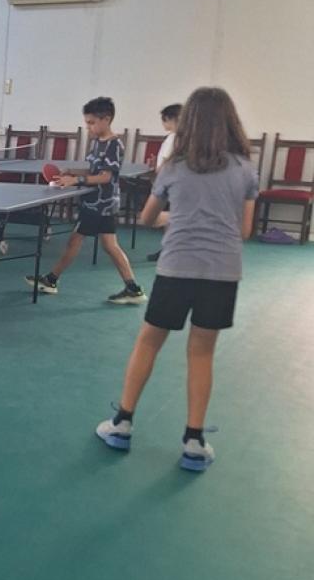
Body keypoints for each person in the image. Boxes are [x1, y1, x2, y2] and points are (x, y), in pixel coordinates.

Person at [96, 87, 258, 472]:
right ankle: (194, 441)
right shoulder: (245, 169)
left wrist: (175, 217)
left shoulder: (174, 168)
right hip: (222, 273)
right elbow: (244, 230)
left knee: (148, 342)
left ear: (189, 123)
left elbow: (147, 218)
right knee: (202, 353)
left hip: (176, 269)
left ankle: (122, 423)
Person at [27, 96, 146, 304]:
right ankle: (133, 288)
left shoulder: (114, 145)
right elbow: (94, 170)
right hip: (97, 202)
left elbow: (106, 177)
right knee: (109, 245)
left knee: (76, 240)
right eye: (87, 123)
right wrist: (71, 171)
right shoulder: (98, 142)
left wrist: (76, 180)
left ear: (106, 119)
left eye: (91, 123)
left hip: (100, 204)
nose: (88, 127)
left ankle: (51, 279)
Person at [146, 102, 182, 263]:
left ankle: (171, 249)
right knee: (169, 217)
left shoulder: (175, 137)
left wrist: (159, 172)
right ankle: (168, 248)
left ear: (171, 119)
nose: (163, 123)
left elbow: (168, 161)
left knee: (164, 217)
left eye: (164, 120)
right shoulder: (177, 137)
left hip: (168, 182)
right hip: (172, 181)